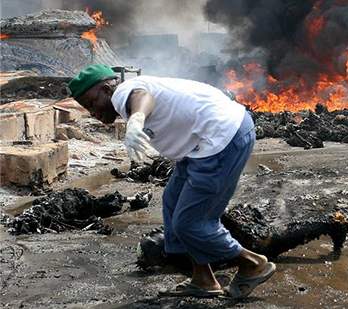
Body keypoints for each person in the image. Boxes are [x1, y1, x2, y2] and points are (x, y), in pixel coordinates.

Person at [68, 64, 276, 298]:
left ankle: (252, 263)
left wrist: (136, 119)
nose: (91, 112)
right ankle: (203, 278)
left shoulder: (124, 92)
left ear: (106, 89)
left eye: (91, 103)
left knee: (192, 223)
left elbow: (141, 98)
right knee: (172, 201)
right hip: (203, 144)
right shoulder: (129, 91)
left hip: (221, 140)